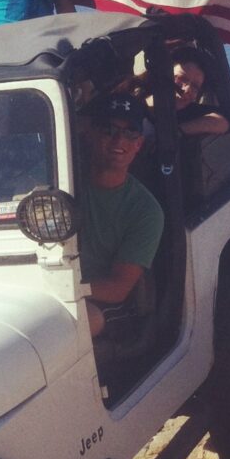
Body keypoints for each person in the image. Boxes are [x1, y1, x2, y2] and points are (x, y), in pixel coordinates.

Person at [79, 95, 165, 337]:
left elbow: (117, 288)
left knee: (74, 324)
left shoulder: (146, 210)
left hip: (101, 303)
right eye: (109, 130)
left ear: (138, 144)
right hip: (39, 291)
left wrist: (66, 290)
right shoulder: (60, 182)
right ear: (91, 134)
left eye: (130, 134)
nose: (119, 140)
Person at [171, 50, 230, 136]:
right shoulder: (143, 99)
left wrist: (178, 132)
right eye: (182, 78)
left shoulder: (190, 114)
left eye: (195, 87)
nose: (187, 89)